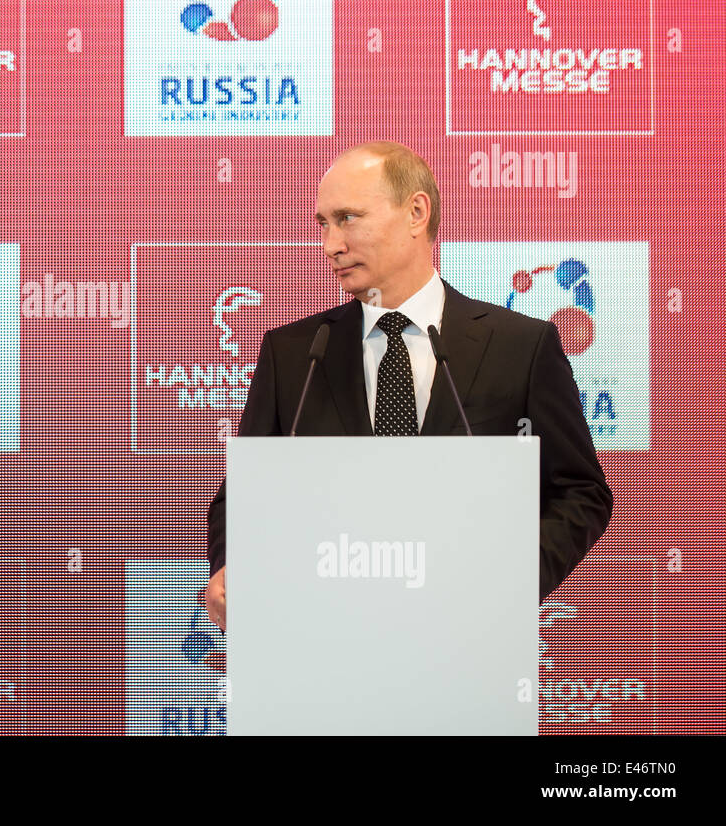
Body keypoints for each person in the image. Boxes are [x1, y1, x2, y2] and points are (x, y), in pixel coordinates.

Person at [204, 140, 612, 630]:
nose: (330, 244)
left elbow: (579, 490)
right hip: (323, 640)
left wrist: (510, 580)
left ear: (417, 212)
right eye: (323, 225)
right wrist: (231, 567)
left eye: (348, 218)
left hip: (466, 644)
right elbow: (245, 494)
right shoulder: (295, 354)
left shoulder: (520, 347)